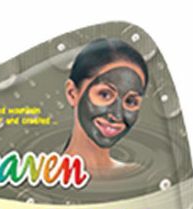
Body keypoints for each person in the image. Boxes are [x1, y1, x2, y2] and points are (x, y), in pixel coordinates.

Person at [62, 38, 149, 178]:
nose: (117, 115)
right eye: (104, 94)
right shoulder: (41, 180)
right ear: (72, 93)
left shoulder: (139, 176)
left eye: (131, 101)